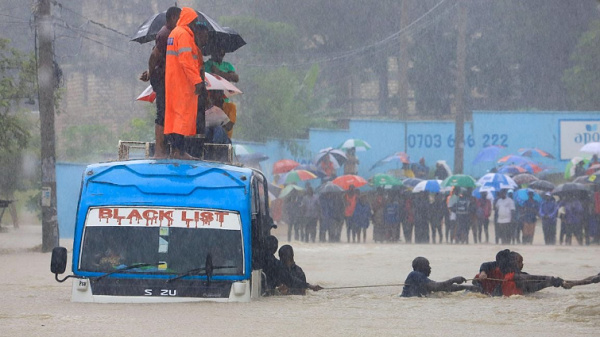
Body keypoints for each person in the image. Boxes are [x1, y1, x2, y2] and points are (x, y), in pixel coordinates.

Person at [164, 7, 209, 160]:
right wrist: (197, 81)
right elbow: (186, 60)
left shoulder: (174, 33)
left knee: (175, 118)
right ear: (189, 21)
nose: (196, 25)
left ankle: (177, 151)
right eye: (194, 22)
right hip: (183, 84)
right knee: (181, 119)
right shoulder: (183, 34)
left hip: (175, 82)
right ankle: (180, 152)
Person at [140, 6, 181, 159]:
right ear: (172, 18)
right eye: (179, 18)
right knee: (162, 113)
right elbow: (154, 56)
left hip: (167, 79)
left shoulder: (172, 34)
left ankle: (171, 149)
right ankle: (159, 150)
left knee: (169, 113)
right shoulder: (166, 34)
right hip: (162, 80)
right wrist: (151, 73)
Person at [204, 48, 239, 139]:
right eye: (218, 50)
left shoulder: (227, 66)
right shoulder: (207, 65)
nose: (221, 53)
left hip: (224, 135)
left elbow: (236, 78)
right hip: (209, 103)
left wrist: (218, 73)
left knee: (218, 129)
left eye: (223, 51)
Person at [400, 257, 477, 297]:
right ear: (420, 267)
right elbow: (436, 287)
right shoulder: (415, 274)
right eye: (427, 265)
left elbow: (444, 288)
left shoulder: (421, 278)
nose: (430, 268)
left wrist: (467, 287)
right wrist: (453, 280)